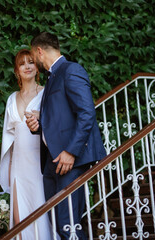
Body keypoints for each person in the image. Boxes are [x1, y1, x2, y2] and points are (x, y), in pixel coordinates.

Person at [26, 32, 107, 239]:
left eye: (34, 57)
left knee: (68, 223)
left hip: (69, 160)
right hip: (52, 162)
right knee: (58, 222)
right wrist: (38, 125)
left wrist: (71, 151)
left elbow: (87, 113)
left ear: (39, 51)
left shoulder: (71, 70)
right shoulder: (53, 76)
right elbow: (60, 118)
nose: (35, 62)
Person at [0, 49, 54, 239]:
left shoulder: (46, 94)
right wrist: (9, 170)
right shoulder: (11, 99)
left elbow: (55, 126)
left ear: (37, 67)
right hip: (18, 169)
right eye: (22, 64)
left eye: (30, 62)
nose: (27, 67)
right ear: (17, 71)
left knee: (41, 213)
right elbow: (9, 140)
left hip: (40, 165)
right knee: (20, 219)